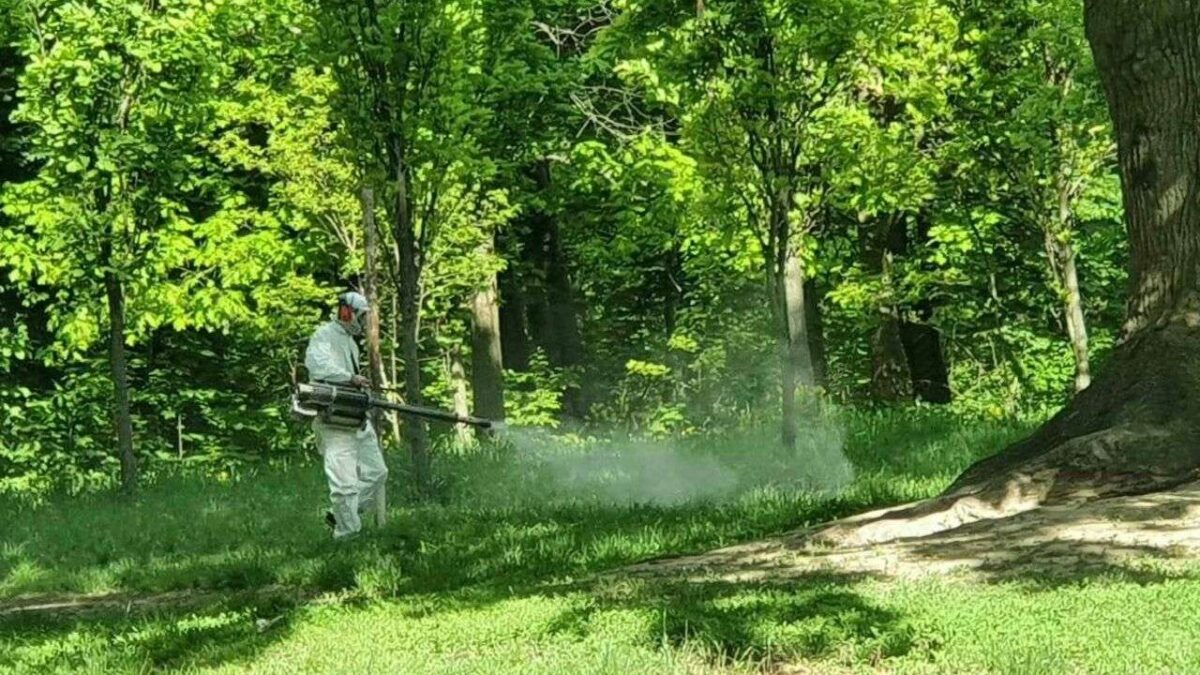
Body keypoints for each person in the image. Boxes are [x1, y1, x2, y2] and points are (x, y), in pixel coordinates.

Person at [304, 291, 388, 539]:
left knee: (377, 473)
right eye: (360, 316)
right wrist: (350, 378)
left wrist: (356, 384)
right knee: (344, 484)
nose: (362, 322)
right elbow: (318, 367)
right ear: (346, 313)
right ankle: (347, 536)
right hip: (333, 419)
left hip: (354, 416)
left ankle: (338, 514)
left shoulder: (350, 342)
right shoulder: (324, 335)